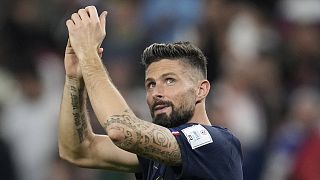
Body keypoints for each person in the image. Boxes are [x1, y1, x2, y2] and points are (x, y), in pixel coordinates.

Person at [58, 6, 243, 180]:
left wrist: (89, 56)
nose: (156, 92)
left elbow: (121, 131)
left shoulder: (216, 143)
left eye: (170, 80)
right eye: (151, 84)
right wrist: (74, 77)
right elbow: (78, 151)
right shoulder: (157, 156)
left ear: (201, 90)